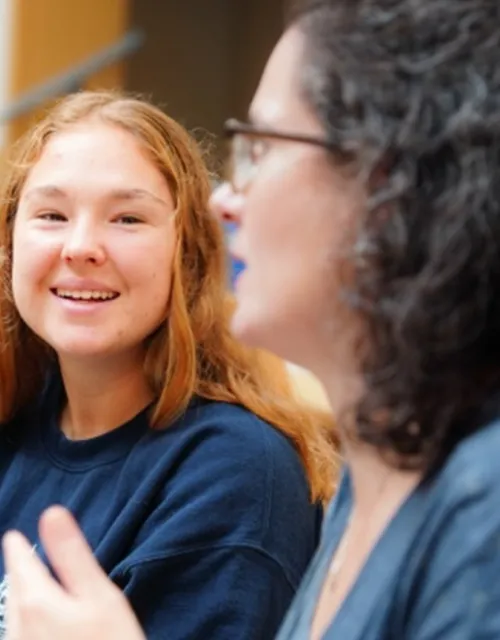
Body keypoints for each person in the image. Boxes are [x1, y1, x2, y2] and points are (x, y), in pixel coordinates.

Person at [4, 0, 500, 637]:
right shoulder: (376, 477)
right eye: (50, 215)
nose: (225, 200)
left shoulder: (474, 510)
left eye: (261, 149)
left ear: (386, 191)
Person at [0, 89, 337, 640]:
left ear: (190, 258)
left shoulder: (235, 473)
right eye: (52, 214)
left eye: (128, 218)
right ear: (11, 245)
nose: (81, 247)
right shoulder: (17, 420)